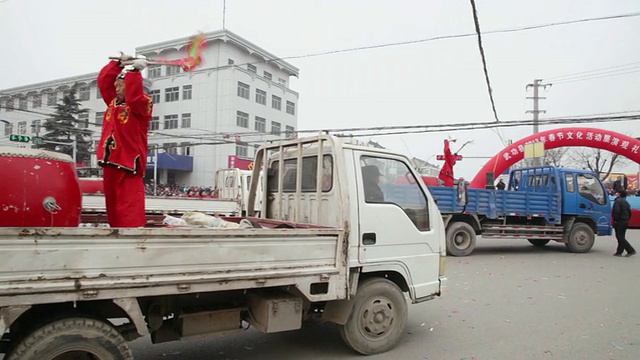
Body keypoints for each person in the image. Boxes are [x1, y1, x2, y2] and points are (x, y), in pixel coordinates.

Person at [96, 54, 152, 227]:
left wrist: (135, 72)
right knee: (113, 209)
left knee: (129, 210)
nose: (117, 90)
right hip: (110, 161)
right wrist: (117, 64)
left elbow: (135, 98)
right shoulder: (113, 104)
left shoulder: (141, 106)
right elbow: (103, 82)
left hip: (129, 164)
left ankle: (132, 242)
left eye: (121, 86)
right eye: (116, 86)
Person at [612, 190, 636, 257]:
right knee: (622, 237)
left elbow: (616, 211)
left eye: (617, 193)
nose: (616, 194)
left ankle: (630, 250)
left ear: (619, 194)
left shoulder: (618, 201)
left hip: (620, 221)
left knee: (619, 237)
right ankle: (619, 252)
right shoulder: (626, 202)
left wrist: (616, 219)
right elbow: (629, 212)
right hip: (625, 221)